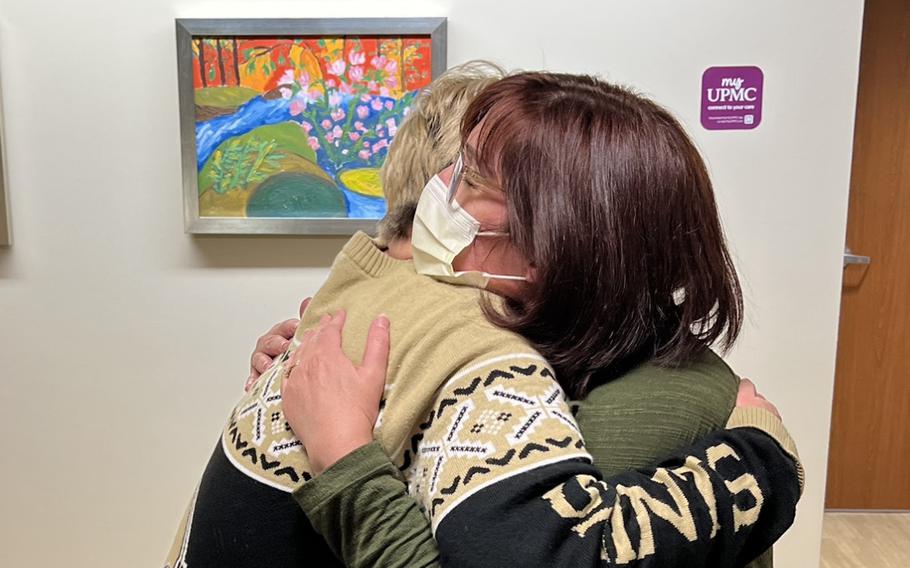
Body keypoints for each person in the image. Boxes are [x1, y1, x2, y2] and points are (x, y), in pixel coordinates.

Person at [166, 68, 799, 568]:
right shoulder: (486, 322)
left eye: (474, 182)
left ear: (565, 243)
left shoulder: (625, 403)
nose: (440, 189)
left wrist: (761, 463)